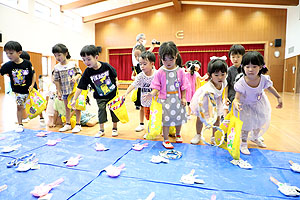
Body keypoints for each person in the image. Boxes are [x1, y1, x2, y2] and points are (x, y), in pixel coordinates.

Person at [233, 51, 283, 155]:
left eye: (254, 66)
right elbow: (236, 98)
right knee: (246, 125)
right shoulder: (241, 83)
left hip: (259, 103)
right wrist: (236, 103)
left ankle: (255, 137)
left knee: (259, 122)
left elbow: (270, 88)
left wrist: (278, 97)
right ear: (243, 67)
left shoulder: (263, 79)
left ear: (260, 67)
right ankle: (243, 143)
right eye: (247, 67)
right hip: (245, 105)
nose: (250, 69)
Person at [146, 41, 188, 149]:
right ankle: (166, 139)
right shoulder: (160, 72)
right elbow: (156, 87)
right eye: (165, 59)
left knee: (179, 117)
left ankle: (178, 134)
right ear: (161, 58)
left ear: (176, 56)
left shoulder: (180, 71)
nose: (168, 62)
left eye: (171, 58)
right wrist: (151, 94)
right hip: (165, 100)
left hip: (177, 99)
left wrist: (183, 98)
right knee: (166, 120)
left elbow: (184, 86)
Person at [70, 45, 119, 137]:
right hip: (100, 96)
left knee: (114, 111)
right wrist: (74, 99)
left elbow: (114, 73)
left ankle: (115, 128)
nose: (86, 62)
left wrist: (116, 81)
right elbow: (80, 87)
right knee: (101, 111)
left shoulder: (106, 66)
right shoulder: (88, 72)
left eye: (88, 59)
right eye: (84, 59)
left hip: (112, 94)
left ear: (96, 57)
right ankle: (101, 130)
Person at [190, 58, 228, 145]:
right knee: (200, 119)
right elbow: (211, 104)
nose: (220, 77)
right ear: (209, 75)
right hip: (204, 101)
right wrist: (209, 118)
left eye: (223, 74)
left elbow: (226, 87)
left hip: (216, 101)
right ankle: (198, 134)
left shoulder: (224, 81)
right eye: (216, 75)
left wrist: (225, 97)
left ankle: (214, 136)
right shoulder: (209, 88)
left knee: (217, 119)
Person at [0, 41, 36, 132]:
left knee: (34, 105)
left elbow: (33, 74)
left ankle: (41, 118)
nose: (8, 55)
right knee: (19, 107)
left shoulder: (27, 63)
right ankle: (20, 124)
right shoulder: (8, 65)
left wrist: (32, 85)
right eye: (7, 53)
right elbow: (1, 72)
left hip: (29, 90)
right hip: (18, 91)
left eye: (11, 53)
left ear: (19, 53)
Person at [123, 51, 156, 136]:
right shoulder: (140, 76)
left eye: (144, 64)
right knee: (145, 112)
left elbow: (160, 87)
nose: (142, 66)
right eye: (140, 64)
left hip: (155, 100)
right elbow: (133, 84)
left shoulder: (157, 74)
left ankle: (152, 130)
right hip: (144, 99)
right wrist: (126, 93)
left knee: (154, 115)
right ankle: (142, 124)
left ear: (152, 64)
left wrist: (152, 93)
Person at [52, 43, 82, 133]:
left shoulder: (73, 64)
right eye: (55, 55)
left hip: (74, 90)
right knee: (67, 107)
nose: (57, 57)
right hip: (65, 90)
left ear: (66, 53)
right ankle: (67, 124)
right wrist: (58, 91)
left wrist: (75, 78)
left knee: (76, 107)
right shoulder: (56, 67)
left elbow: (79, 73)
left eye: (59, 55)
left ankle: (78, 124)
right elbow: (56, 80)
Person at [19, 51, 46, 126]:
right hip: (24, 90)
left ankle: (41, 118)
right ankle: (25, 117)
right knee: (23, 104)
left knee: (36, 103)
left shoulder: (28, 67)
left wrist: (32, 86)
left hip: (32, 89)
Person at [225, 44, 245, 111]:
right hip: (233, 98)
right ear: (230, 57)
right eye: (233, 57)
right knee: (233, 116)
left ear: (243, 57)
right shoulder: (229, 70)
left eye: (238, 57)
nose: (235, 59)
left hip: (245, 98)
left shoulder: (246, 69)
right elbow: (226, 84)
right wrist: (225, 97)